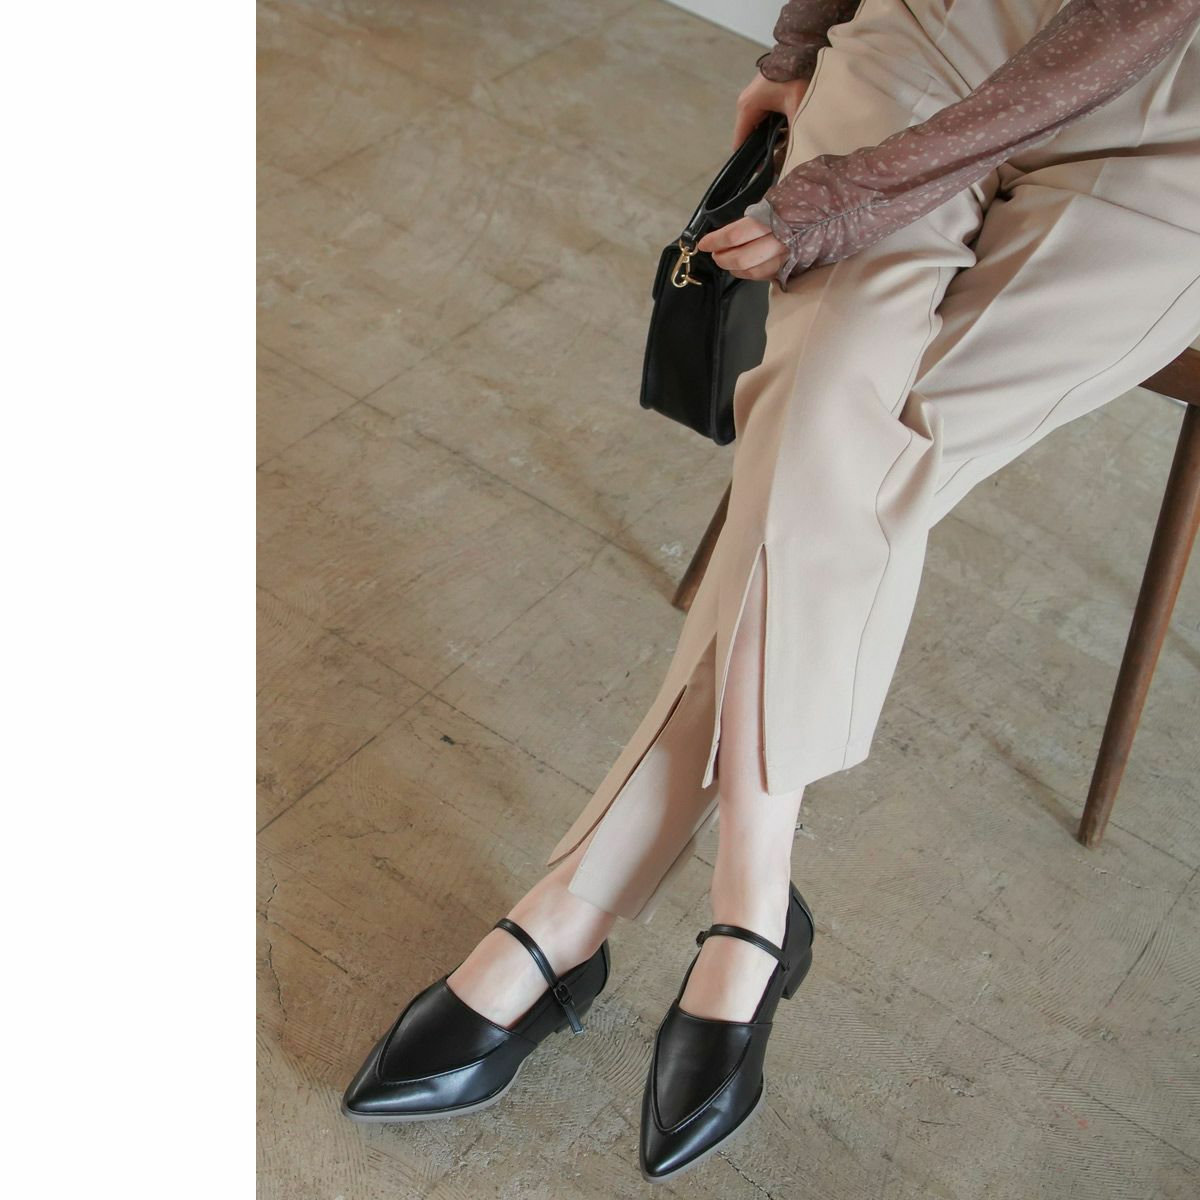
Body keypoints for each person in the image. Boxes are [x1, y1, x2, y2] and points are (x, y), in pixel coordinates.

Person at [342, 0, 1200, 1183]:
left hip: (1174, 131)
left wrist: (846, 197)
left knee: (848, 460)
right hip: (946, 27)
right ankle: (749, 917)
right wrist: (801, 44)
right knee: (823, 416)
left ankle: (574, 915)